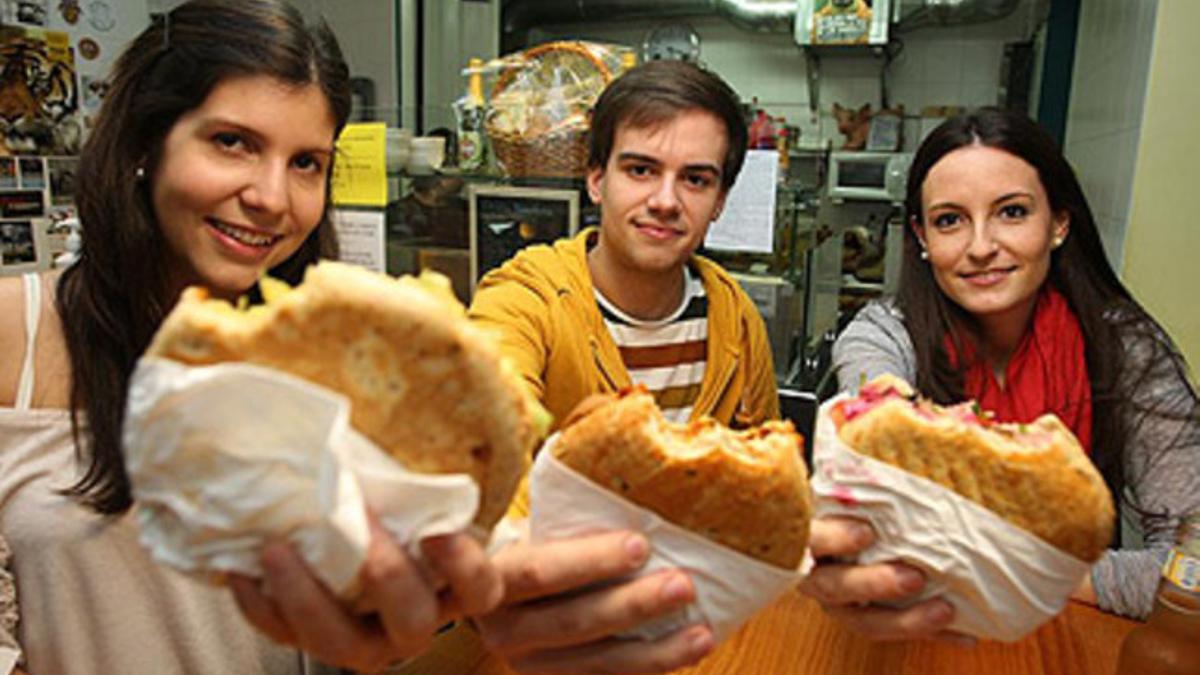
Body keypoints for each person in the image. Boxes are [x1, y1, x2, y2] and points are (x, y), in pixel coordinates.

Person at [0, 2, 504, 673]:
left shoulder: (338, 361)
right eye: (233, 141)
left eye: (306, 163)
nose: (272, 196)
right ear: (147, 143)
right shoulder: (19, 333)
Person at [394, 60, 781, 674]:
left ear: (720, 201)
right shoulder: (527, 295)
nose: (665, 201)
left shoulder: (737, 320)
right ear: (596, 178)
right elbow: (482, 432)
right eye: (640, 169)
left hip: (691, 633)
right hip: (534, 637)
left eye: (696, 179)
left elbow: (758, 491)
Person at [801, 107, 1200, 641]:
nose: (981, 246)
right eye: (950, 220)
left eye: (1011, 212)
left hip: (1065, 637)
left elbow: (1189, 565)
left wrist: (1015, 569)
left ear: (1058, 221)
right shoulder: (883, 334)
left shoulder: (1125, 350)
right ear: (920, 236)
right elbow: (874, 418)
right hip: (920, 632)